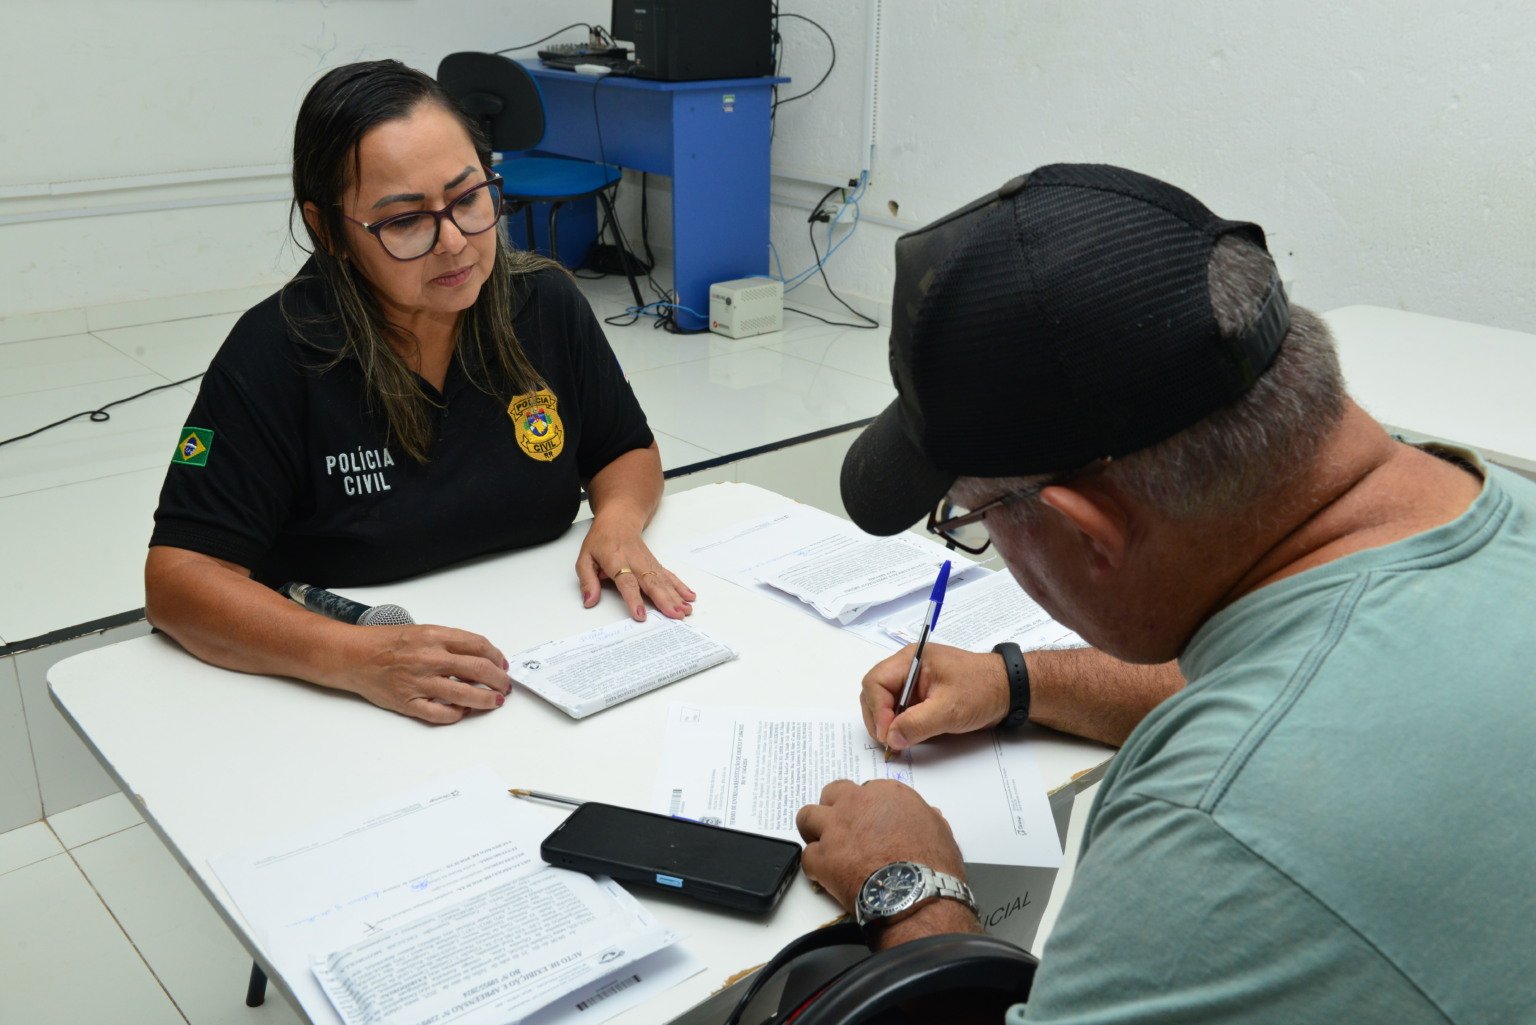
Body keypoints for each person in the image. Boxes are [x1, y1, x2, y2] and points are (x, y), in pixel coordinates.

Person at [795, 164, 1535, 1022]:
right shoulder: (1478, 501)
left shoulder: (1210, 835)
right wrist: (1018, 681)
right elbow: (1329, 680)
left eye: (976, 518)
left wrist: (911, 890)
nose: (984, 538)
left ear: (1086, 530)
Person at [145, 60, 694, 725]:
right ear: (329, 231)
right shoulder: (276, 353)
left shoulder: (544, 302)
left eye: (468, 198)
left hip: (537, 668)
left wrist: (617, 519)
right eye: (406, 220)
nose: (456, 242)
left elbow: (625, 449)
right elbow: (177, 580)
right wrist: (355, 656)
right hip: (335, 701)